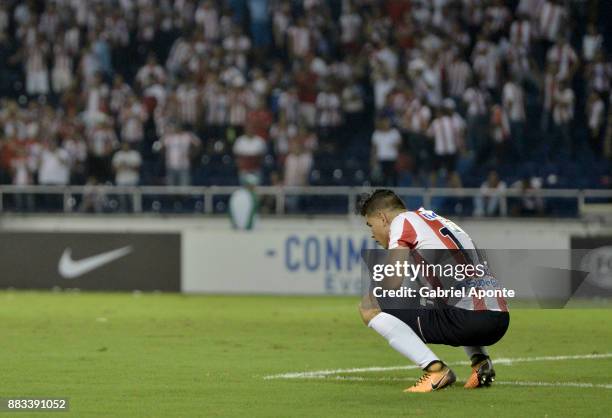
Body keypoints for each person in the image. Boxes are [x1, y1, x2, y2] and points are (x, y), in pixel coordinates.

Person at [358, 190, 509, 392]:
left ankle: (436, 371)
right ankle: (481, 362)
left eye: (371, 225)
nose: (371, 233)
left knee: (369, 307)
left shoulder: (402, 222)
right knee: (443, 298)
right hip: (499, 317)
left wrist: (377, 290)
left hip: (470, 320)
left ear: (382, 217)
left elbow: (393, 282)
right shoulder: (436, 220)